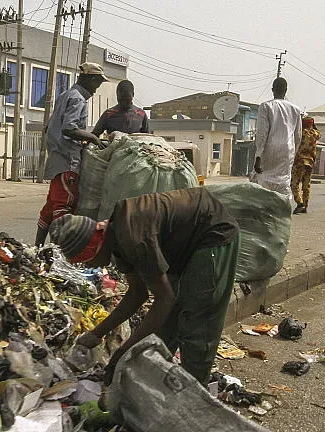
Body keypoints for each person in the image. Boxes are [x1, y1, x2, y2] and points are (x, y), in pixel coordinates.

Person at [49, 187, 240, 386]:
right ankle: (157, 384)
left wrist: (124, 352)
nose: (90, 266)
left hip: (212, 233)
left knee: (197, 323)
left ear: (92, 245)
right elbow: (136, 294)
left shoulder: (134, 237)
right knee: (166, 326)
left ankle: (192, 398)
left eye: (85, 260)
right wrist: (96, 334)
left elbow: (164, 299)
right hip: (185, 244)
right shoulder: (116, 238)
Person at [35, 62, 109, 246]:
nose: (97, 88)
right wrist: (92, 138)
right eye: (97, 83)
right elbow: (69, 128)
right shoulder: (77, 99)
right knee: (64, 206)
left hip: (57, 160)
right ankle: (60, 252)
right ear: (90, 79)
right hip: (68, 161)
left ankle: (37, 249)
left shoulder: (65, 96)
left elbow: (50, 127)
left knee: (50, 207)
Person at [253, 77, 302, 196]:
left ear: (272, 90)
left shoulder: (265, 106)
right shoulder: (295, 110)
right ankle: (283, 209)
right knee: (283, 183)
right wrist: (292, 154)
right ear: (286, 90)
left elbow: (262, 133)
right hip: (287, 151)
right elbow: (298, 136)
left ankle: (264, 210)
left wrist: (258, 156)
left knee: (263, 182)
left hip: (269, 150)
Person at [291, 117, 321, 214]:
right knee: (306, 185)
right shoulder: (316, 134)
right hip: (310, 163)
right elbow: (317, 132)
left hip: (300, 162)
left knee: (294, 184)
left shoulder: (301, 133)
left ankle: (299, 203)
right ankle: (305, 206)